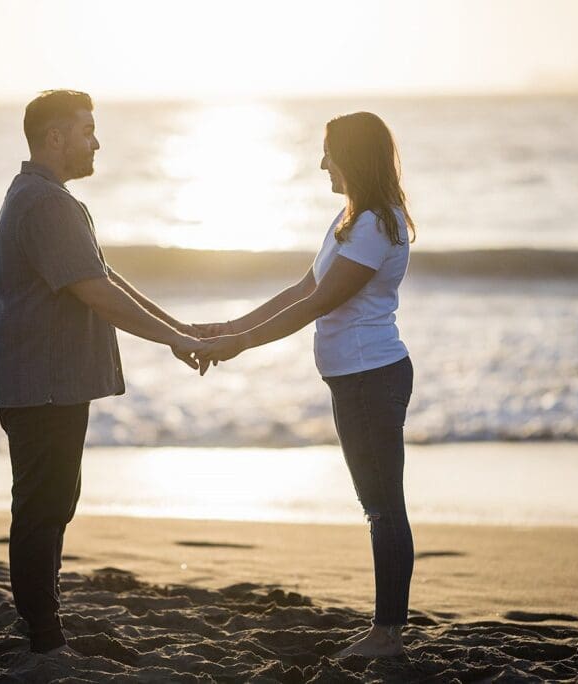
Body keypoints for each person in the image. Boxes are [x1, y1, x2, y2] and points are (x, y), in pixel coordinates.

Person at [0, 89, 207, 657]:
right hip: (41, 382)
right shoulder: (47, 203)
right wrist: (175, 339)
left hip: (43, 380)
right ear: (54, 138)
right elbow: (97, 293)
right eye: (87, 130)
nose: (96, 142)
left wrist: (178, 328)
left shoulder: (43, 196)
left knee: (53, 499)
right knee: (44, 503)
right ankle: (43, 633)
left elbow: (103, 276)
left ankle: (39, 618)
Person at [196, 111, 417, 658]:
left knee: (383, 507)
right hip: (354, 379)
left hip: (371, 378)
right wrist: (231, 326)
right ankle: (386, 629)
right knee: (378, 505)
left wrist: (240, 345)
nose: (322, 163)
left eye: (329, 152)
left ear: (353, 156)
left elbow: (320, 303)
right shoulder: (351, 218)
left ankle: (387, 634)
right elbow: (302, 288)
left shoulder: (374, 224)